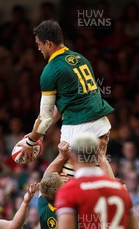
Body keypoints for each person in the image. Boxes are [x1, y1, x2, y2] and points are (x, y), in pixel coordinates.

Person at [19, 20, 114, 177]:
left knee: (63, 178)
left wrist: (30, 142)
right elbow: (61, 106)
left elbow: (45, 117)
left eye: (39, 44)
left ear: (48, 43)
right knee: (98, 171)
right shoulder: (80, 58)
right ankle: (115, 196)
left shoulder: (51, 70)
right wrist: (38, 135)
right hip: (101, 124)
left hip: (79, 127)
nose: (38, 48)